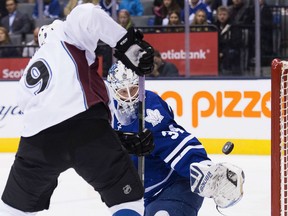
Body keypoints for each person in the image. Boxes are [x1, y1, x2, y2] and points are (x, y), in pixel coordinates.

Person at [0, 3, 154, 216]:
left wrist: (114, 139)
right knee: (127, 200)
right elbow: (88, 13)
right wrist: (129, 47)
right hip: (86, 126)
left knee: (13, 208)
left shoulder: (32, 67)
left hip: (37, 141)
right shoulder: (67, 35)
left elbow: (28, 105)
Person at [106, 60, 245, 216]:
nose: (131, 97)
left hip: (174, 186)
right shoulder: (105, 113)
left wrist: (202, 166)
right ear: (113, 90)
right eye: (124, 92)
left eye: (133, 89)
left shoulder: (150, 108)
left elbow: (174, 142)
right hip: (136, 196)